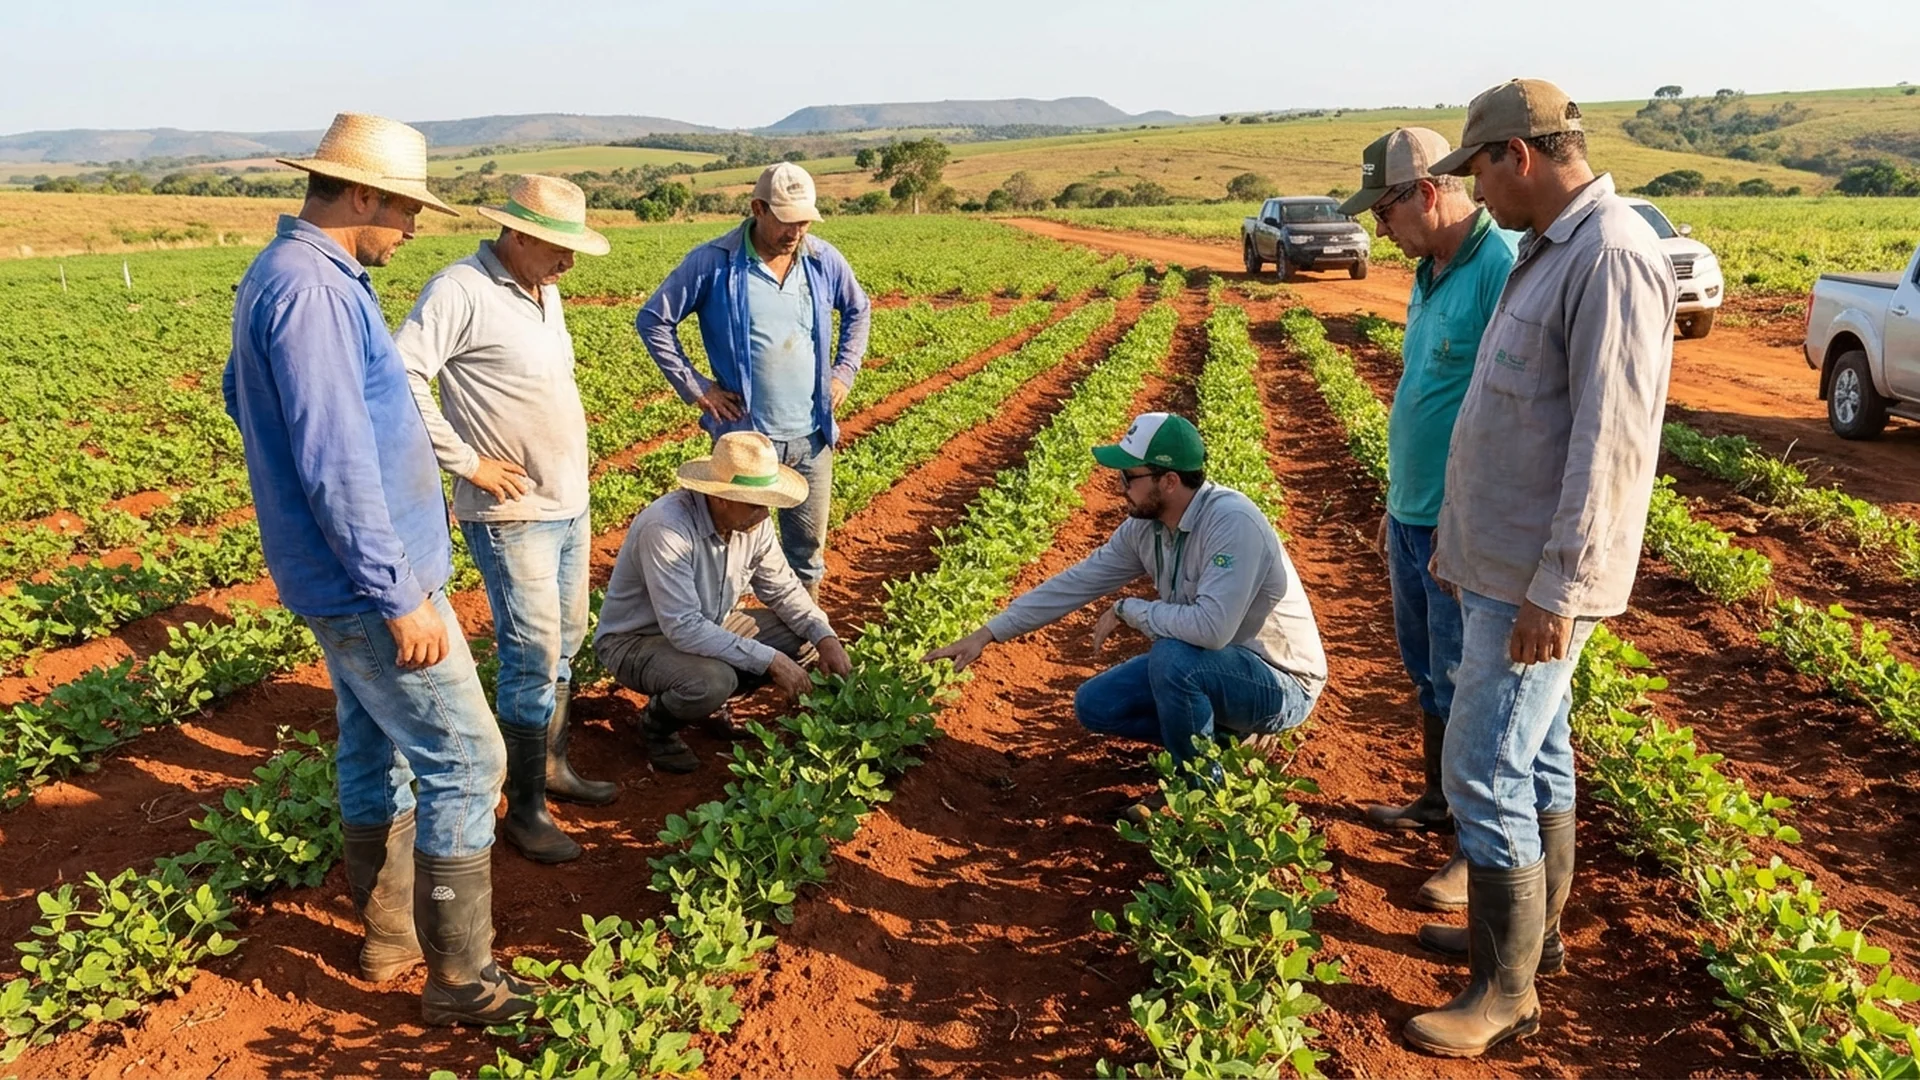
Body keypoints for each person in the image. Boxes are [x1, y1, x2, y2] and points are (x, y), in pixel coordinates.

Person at [223, 113, 529, 1025]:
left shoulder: (295, 277)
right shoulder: (312, 290)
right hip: (371, 586)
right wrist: (398, 593)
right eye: (405, 210)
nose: (415, 228)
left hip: (351, 575)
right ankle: (462, 982)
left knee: (373, 745)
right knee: (469, 761)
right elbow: (333, 460)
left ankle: (393, 937)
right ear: (361, 196)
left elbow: (248, 403)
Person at [1402, 79, 1676, 1058]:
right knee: (1538, 755)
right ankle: (1528, 940)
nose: (1475, 188)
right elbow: (1512, 420)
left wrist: (1556, 590)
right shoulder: (1547, 251)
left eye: (1478, 167)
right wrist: (1459, 544)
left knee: (1482, 768)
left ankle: (1504, 990)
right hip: (1500, 564)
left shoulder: (1609, 256)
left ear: (1517, 156)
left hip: (1536, 583)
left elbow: (1609, 445)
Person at [924, 413, 1328, 818]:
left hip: (1278, 681)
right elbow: (1076, 583)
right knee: (1098, 704)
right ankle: (1226, 738)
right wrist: (988, 634)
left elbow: (1212, 630)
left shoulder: (1231, 522)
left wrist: (1130, 610)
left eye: (1128, 477)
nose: (1120, 487)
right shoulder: (1146, 529)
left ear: (1168, 481)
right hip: (1212, 668)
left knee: (1174, 660)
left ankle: (1196, 796)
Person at [394, 174, 613, 866]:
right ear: (515, 235)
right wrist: (467, 461)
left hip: (568, 504)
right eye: (557, 247)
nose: (569, 262)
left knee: (566, 643)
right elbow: (403, 375)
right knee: (529, 657)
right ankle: (524, 809)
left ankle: (550, 767)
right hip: (513, 513)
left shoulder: (543, 291)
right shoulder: (460, 289)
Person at [1338, 129, 1521, 913]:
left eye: (1385, 210)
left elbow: (1509, 415)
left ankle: (1469, 856)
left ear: (1426, 193)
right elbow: (1425, 394)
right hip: (1412, 514)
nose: (1380, 228)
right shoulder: (1429, 270)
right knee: (1425, 670)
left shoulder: (1498, 269)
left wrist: (1460, 517)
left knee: (1465, 680)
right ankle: (1436, 802)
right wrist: (1397, 501)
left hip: (1461, 526)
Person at [636, 162, 871, 599]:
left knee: (806, 555)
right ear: (757, 208)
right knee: (733, 554)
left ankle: (801, 647)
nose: (795, 231)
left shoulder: (822, 260)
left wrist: (844, 371)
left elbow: (859, 310)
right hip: (745, 445)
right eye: (785, 220)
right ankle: (733, 646)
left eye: (803, 221)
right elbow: (653, 320)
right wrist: (698, 387)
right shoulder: (714, 263)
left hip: (811, 437)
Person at [593, 430, 854, 772]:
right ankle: (656, 727)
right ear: (721, 498)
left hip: (709, 625)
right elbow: (683, 627)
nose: (764, 514)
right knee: (713, 681)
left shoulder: (751, 521)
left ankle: (710, 706)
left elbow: (784, 589)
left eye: (767, 503)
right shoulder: (667, 528)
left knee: (803, 637)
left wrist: (825, 636)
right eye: (754, 503)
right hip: (638, 641)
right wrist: (772, 661)